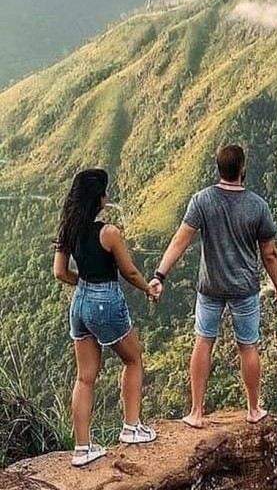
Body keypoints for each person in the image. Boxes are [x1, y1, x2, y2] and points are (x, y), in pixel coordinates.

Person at [148, 144, 277, 428]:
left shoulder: (202, 200)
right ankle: (253, 409)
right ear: (243, 169)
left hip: (209, 286)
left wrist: (159, 275)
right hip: (244, 288)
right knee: (248, 347)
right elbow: (269, 253)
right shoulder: (258, 205)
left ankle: (197, 412)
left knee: (203, 341)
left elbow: (179, 241)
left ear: (218, 169)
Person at [53, 168, 157, 468]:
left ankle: (82, 449)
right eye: (105, 192)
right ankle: (131, 427)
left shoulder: (67, 229)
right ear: (98, 198)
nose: (107, 197)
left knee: (85, 377)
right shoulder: (108, 232)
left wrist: (84, 283)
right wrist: (147, 288)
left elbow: (60, 272)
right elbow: (129, 271)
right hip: (105, 300)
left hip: (80, 302)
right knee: (134, 357)